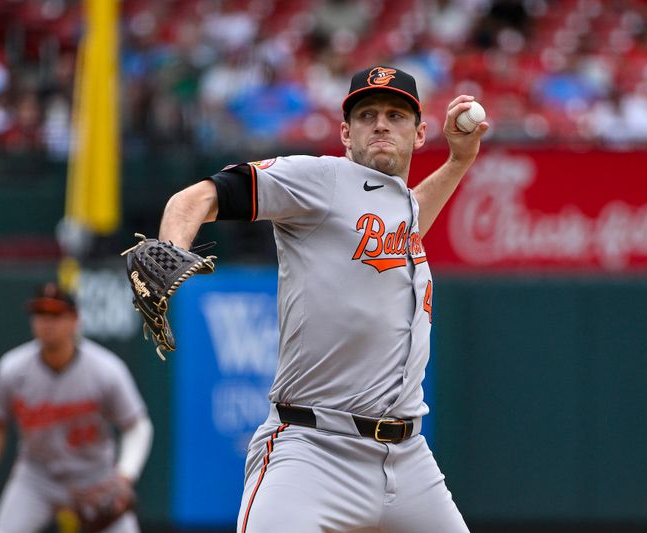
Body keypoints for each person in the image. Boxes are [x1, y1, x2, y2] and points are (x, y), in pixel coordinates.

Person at [158, 65, 488, 532]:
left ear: (419, 134)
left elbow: (406, 224)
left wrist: (457, 163)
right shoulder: (320, 180)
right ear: (345, 133)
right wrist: (172, 247)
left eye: (395, 115)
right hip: (314, 449)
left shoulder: (399, 208)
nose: (379, 123)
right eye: (366, 113)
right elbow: (200, 197)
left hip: (408, 460)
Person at [0, 282, 154, 533]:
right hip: (36, 477)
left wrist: (124, 477)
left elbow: (137, 426)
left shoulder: (105, 369)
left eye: (55, 314)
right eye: (40, 314)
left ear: (74, 319)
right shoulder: (13, 368)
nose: (47, 322)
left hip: (94, 478)